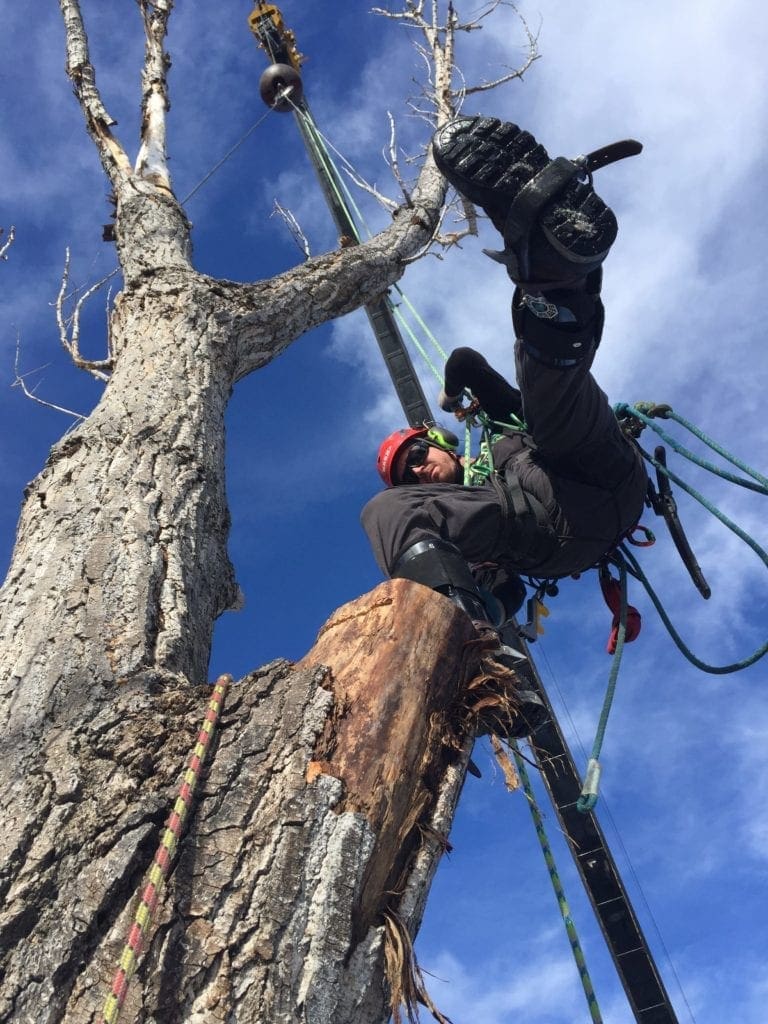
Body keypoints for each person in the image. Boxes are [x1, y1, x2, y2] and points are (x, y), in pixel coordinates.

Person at [361, 115, 649, 645]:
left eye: (418, 456)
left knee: (548, 401)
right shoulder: (470, 515)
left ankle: (555, 275)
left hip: (590, 460)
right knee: (384, 511)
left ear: (439, 441)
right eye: (409, 473)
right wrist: (484, 607)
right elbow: (505, 594)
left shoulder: (500, 426)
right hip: (552, 533)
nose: (419, 471)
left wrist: (451, 396)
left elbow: (468, 360)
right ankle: (451, 634)